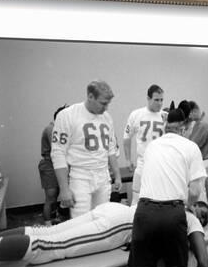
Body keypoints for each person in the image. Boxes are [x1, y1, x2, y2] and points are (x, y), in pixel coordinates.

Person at [0, 201, 208, 267]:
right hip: (121, 224)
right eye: (203, 214)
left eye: (205, 219)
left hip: (114, 209)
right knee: (50, 245)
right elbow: (204, 259)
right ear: (194, 207)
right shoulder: (189, 218)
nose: (201, 219)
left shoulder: (171, 198)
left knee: (47, 232)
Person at [128, 107, 207, 267]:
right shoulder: (191, 147)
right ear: (184, 128)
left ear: (166, 127)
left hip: (143, 214)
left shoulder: (152, 146)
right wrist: (189, 205)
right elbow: (194, 192)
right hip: (172, 215)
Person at [51, 80, 122, 218]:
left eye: (108, 104)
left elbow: (111, 148)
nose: (106, 108)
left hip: (103, 174)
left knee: (102, 219)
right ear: (90, 96)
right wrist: (64, 189)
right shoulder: (67, 115)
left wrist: (117, 175)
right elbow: (58, 153)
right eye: (103, 103)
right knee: (81, 222)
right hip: (80, 176)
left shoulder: (106, 117)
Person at [123, 84, 166, 205]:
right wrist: (127, 159)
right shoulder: (136, 114)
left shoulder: (165, 116)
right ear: (148, 98)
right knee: (137, 200)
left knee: (158, 199)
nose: (159, 103)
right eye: (156, 100)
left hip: (160, 165)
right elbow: (126, 138)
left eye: (162, 100)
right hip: (142, 163)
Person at [38, 105, 67, 224]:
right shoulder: (51, 129)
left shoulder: (62, 130)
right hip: (49, 164)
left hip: (58, 164)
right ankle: (47, 224)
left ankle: (54, 218)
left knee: (57, 195)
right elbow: (58, 149)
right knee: (51, 196)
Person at [187, 100, 208, 169]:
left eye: (189, 114)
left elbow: (193, 145)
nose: (189, 117)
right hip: (204, 160)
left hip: (204, 161)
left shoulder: (202, 124)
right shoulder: (200, 121)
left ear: (194, 111)